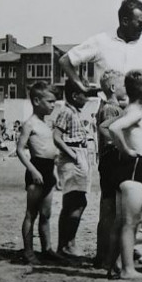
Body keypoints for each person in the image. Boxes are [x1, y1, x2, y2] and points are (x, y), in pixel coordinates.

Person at [60, 0, 142, 251]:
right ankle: (107, 248)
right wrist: (78, 83)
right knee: (111, 183)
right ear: (124, 20)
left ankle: (140, 246)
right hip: (111, 115)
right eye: (141, 22)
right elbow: (66, 60)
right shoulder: (101, 41)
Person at [106, 70, 142, 279]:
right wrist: (126, 150)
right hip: (135, 165)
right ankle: (128, 269)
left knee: (123, 220)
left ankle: (114, 264)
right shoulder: (134, 112)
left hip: (135, 167)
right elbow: (114, 128)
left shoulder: (133, 109)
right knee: (130, 221)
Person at [14, 84, 59, 265]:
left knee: (46, 213)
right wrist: (33, 170)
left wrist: (55, 173)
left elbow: (52, 151)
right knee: (31, 213)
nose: (53, 105)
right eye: (50, 101)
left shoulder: (46, 124)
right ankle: (28, 251)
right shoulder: (29, 124)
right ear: (36, 101)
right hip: (36, 169)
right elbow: (19, 150)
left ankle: (47, 248)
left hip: (48, 170)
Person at [49, 79, 94, 261]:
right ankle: (67, 244)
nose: (87, 98)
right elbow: (57, 137)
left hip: (80, 154)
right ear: (75, 95)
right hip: (73, 155)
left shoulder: (75, 111)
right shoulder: (66, 111)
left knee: (76, 201)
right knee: (75, 200)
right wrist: (73, 154)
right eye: (85, 94)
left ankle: (67, 243)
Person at [94, 69, 130, 270]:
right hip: (112, 162)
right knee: (111, 211)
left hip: (108, 162)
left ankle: (102, 255)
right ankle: (106, 255)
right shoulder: (111, 110)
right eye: (124, 84)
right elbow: (109, 135)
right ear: (114, 88)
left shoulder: (111, 107)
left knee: (109, 210)